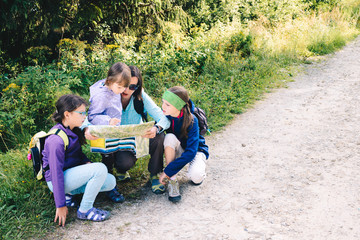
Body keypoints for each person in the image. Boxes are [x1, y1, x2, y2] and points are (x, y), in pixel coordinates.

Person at [86, 65, 170, 194]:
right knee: (124, 163)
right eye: (124, 85)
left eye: (132, 87)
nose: (126, 90)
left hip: (135, 139)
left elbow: (163, 117)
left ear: (137, 87)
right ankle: (117, 171)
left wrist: (156, 128)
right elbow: (91, 117)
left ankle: (155, 173)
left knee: (159, 136)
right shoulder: (110, 94)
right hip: (116, 142)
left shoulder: (140, 96)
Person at [43, 94, 116, 226]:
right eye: (81, 113)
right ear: (67, 114)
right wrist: (60, 205)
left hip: (69, 175)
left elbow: (77, 155)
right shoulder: (55, 140)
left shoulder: (73, 130)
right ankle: (85, 210)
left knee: (111, 181)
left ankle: (70, 194)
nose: (84, 117)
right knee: (100, 169)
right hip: (56, 181)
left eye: (85, 113)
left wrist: (87, 162)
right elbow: (56, 173)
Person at [87, 62, 131, 203]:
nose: (122, 90)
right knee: (107, 158)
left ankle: (110, 181)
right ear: (109, 81)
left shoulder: (114, 89)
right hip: (103, 131)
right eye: (120, 87)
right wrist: (107, 121)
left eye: (125, 87)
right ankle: (108, 187)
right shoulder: (101, 95)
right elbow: (91, 116)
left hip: (113, 130)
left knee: (113, 157)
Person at [159, 86, 209, 202]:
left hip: (195, 151)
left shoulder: (192, 120)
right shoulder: (166, 116)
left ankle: (199, 168)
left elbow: (191, 153)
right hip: (180, 148)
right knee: (169, 137)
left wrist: (166, 170)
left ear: (178, 106)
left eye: (167, 105)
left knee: (196, 177)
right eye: (163, 102)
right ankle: (172, 180)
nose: (163, 107)